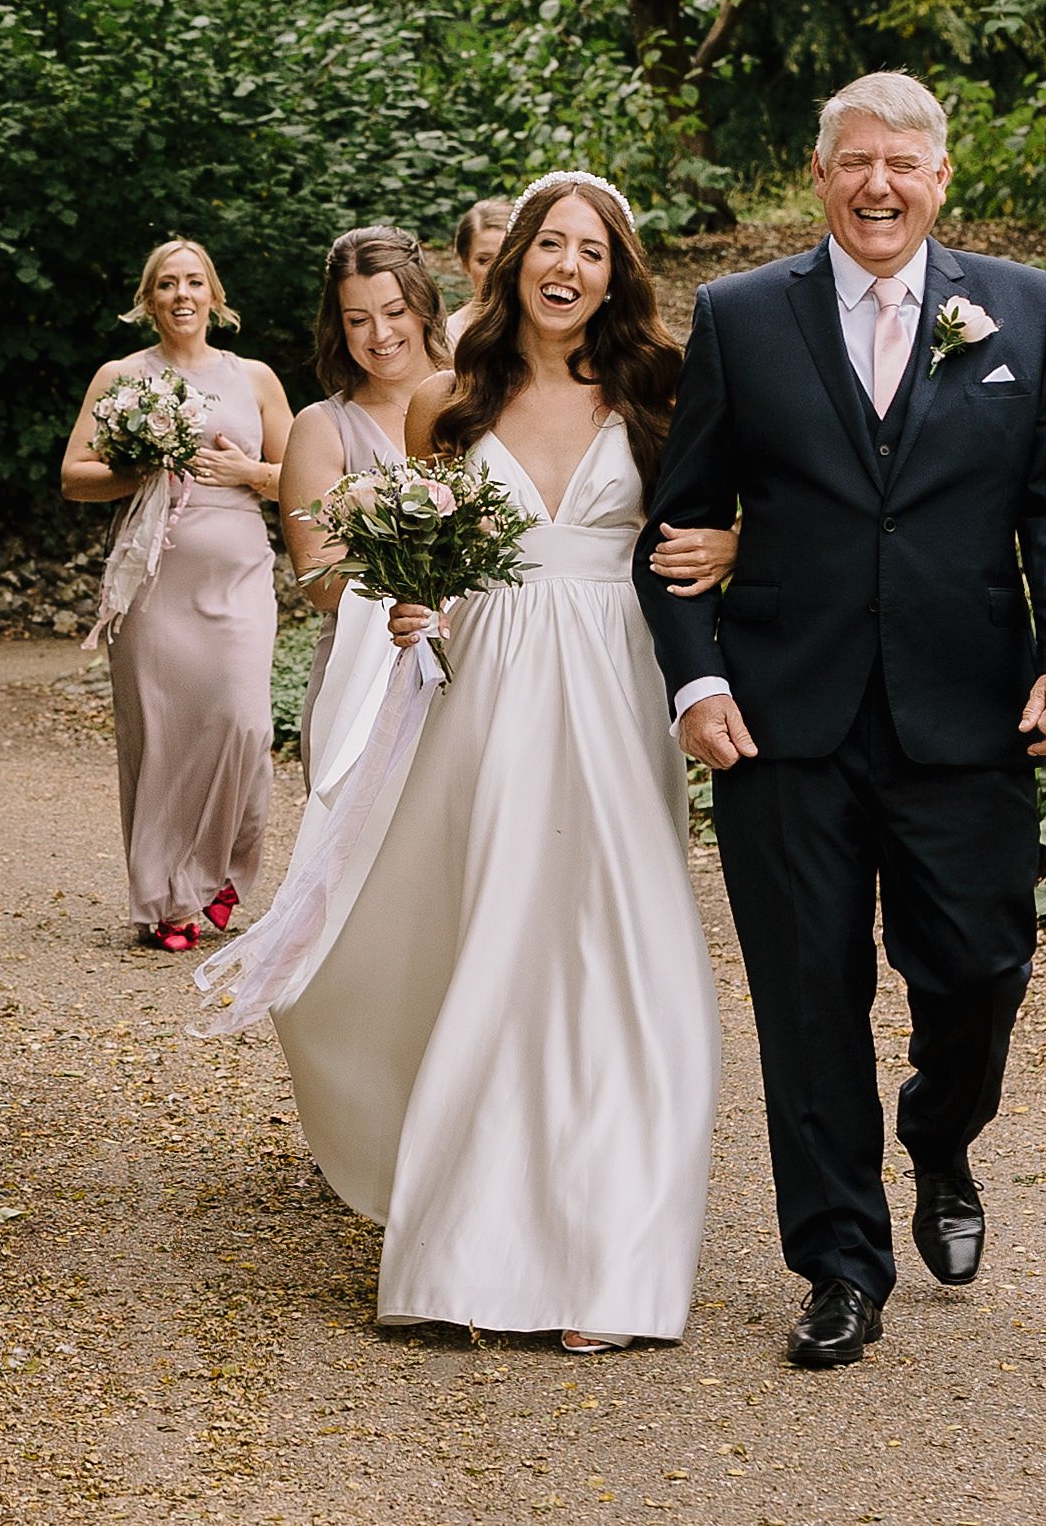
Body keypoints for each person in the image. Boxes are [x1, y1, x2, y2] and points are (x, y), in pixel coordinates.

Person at [637, 71, 1046, 1371]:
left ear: (941, 179)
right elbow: (674, 537)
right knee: (807, 1000)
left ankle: (943, 1133)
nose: (878, 185)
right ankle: (842, 1263)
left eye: (902, 163)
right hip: (786, 725)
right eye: (855, 162)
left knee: (978, 974)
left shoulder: (1026, 311)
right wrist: (699, 683)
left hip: (968, 722)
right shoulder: (741, 319)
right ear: (820, 174)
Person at [229, 175, 720, 1354]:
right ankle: (466, 1248)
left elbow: (728, 513)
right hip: (490, 681)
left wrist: (739, 542)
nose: (564, 265)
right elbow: (431, 558)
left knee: (618, 940)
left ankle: (610, 1260)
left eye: (589, 250)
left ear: (618, 272)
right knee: (494, 936)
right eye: (546, 243)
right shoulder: (449, 399)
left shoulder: (664, 387)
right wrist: (415, 607)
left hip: (616, 676)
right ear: (510, 264)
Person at [61, 239, 293, 952]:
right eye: (167, 283)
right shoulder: (120, 377)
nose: (182, 294)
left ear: (216, 297)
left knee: (245, 723)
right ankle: (168, 899)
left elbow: (302, 476)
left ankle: (221, 867)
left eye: (195, 282)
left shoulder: (254, 377)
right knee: (161, 736)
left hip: (238, 573)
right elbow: (74, 475)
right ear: (148, 299)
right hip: (155, 574)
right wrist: (140, 467)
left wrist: (248, 470)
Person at [276, 226, 445, 758]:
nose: (380, 333)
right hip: (363, 674)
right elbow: (322, 583)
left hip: (487, 658)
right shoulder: (323, 426)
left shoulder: (482, 400)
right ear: (337, 326)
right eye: (357, 320)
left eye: (395, 312)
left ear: (423, 307)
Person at [440, 195, 516, 345]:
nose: (497, 271)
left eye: (507, 257)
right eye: (484, 260)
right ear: (465, 262)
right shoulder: (449, 336)